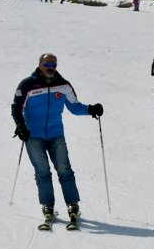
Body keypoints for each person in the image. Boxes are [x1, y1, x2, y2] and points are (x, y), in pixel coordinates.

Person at [11, 53, 104, 229]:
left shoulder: (63, 85)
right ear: (40, 65)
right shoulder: (27, 85)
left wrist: (91, 109)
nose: (51, 67)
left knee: (65, 170)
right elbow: (16, 107)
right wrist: (20, 126)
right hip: (33, 136)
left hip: (56, 134)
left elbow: (75, 107)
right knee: (43, 172)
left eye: (54, 64)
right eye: (47, 64)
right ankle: (48, 206)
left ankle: (72, 205)